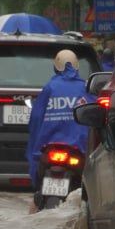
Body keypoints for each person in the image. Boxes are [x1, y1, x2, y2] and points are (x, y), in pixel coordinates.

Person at [24, 48, 94, 191]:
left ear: (56, 67)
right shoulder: (85, 89)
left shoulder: (50, 88)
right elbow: (95, 117)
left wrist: (36, 147)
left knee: (35, 203)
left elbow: (36, 119)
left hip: (49, 149)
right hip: (79, 150)